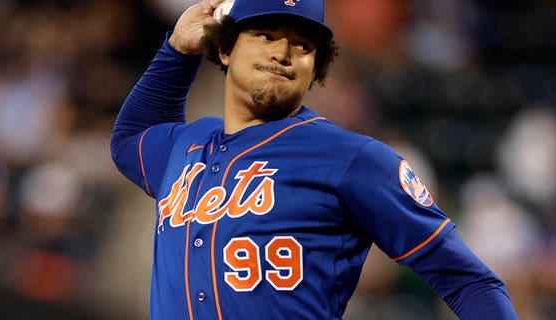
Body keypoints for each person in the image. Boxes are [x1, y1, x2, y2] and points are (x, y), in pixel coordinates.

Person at [110, 0, 519, 319]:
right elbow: (130, 139)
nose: (283, 53)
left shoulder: (352, 158)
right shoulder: (188, 144)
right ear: (225, 49)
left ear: (316, 67)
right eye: (266, 35)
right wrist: (177, 51)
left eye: (302, 45)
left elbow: (469, 282)